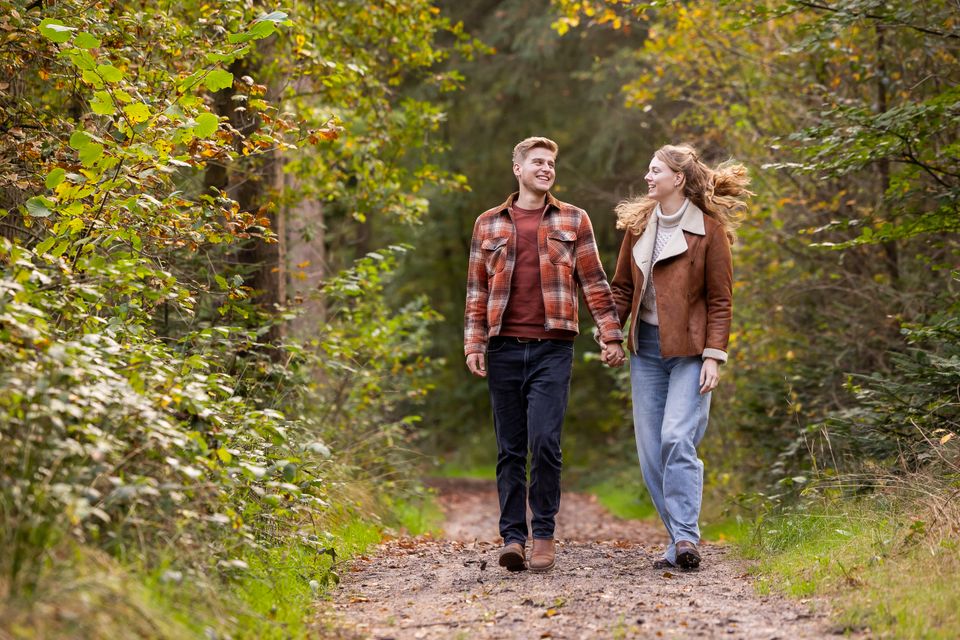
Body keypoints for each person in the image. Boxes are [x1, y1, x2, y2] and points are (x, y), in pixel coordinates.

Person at [464, 136, 625, 573]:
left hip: (554, 346)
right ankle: (513, 537)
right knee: (510, 447)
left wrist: (611, 335)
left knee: (546, 442)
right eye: (537, 162)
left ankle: (544, 535)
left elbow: (594, 281)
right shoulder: (488, 224)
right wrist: (474, 343)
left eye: (551, 163)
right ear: (518, 168)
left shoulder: (574, 219)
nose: (546, 168)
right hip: (501, 347)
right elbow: (477, 290)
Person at [602, 143, 751, 570]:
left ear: (678, 179)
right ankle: (678, 540)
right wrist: (611, 335)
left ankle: (686, 538)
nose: (647, 177)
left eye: (655, 171)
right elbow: (622, 289)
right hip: (646, 352)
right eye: (648, 170)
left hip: (690, 352)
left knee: (676, 439)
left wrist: (713, 356)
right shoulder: (638, 225)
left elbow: (721, 300)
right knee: (651, 452)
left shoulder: (708, 231)